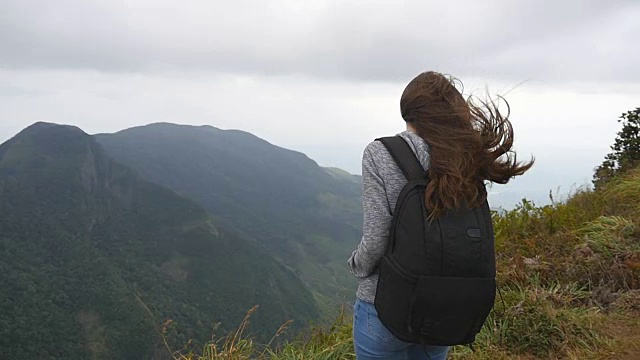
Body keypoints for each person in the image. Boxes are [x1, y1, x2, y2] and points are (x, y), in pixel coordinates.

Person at [348, 71, 534, 360]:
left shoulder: (380, 153)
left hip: (384, 305)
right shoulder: (463, 155)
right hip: (443, 305)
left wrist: (357, 266)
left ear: (407, 109)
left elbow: (376, 239)